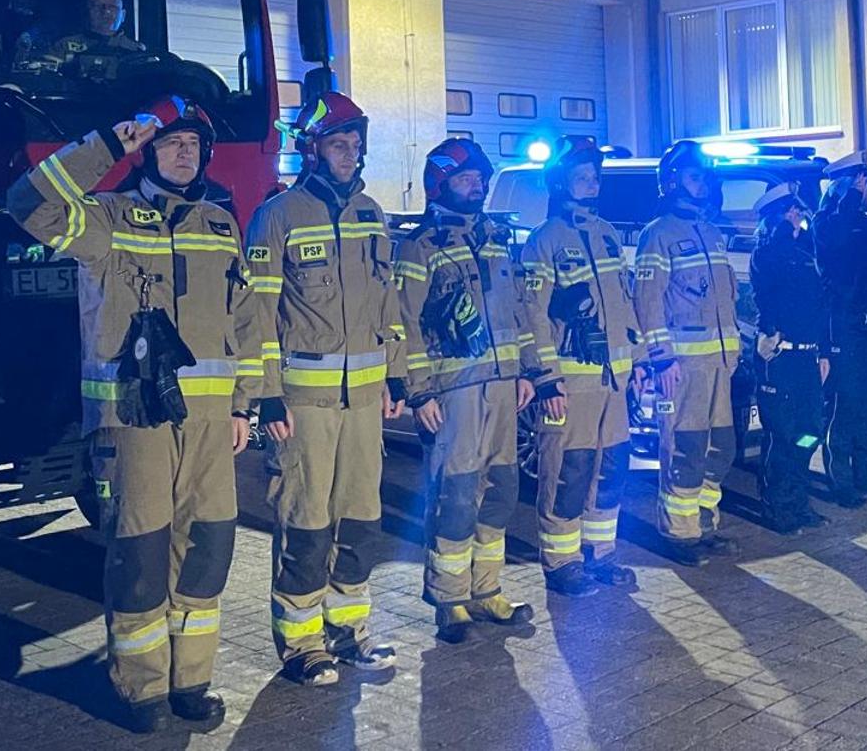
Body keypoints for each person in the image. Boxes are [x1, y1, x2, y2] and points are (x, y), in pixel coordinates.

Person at [6, 96, 256, 734]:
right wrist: (107, 144)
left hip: (209, 425)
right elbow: (28, 204)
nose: (182, 153)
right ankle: (140, 685)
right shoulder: (108, 219)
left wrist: (244, 407)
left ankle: (191, 681)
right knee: (141, 553)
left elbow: (246, 325)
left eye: (193, 145)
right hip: (134, 419)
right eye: (170, 142)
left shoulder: (221, 223)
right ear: (147, 151)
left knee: (206, 549)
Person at [241, 91, 407, 687]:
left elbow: (388, 303)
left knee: (361, 520)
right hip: (302, 404)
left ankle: (349, 630)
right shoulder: (277, 215)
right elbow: (255, 314)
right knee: (307, 523)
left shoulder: (371, 212)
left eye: (356, 144)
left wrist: (396, 372)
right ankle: (300, 642)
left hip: (364, 403)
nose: (350, 154)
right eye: (339, 144)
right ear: (313, 149)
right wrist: (265, 394)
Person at [396, 138, 562, 642]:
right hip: (454, 394)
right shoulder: (420, 247)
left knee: (501, 491)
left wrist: (532, 375)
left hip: (503, 390)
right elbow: (404, 324)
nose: (479, 185)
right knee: (457, 494)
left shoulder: (496, 239)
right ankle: (449, 600)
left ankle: (486, 589)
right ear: (440, 182)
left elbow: (518, 315)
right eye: (468, 177)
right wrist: (418, 392)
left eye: (482, 178)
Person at [520, 136, 641, 596]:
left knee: (610, 471)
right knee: (567, 473)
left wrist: (642, 360)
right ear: (561, 182)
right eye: (582, 177)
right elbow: (531, 314)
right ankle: (561, 562)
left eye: (595, 176)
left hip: (614, 381)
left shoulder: (607, 233)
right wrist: (545, 378)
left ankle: (600, 554)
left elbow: (625, 301)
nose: (592, 184)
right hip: (570, 383)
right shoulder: (545, 241)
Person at [632, 141, 741, 567]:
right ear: (674, 180)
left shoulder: (711, 232)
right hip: (682, 367)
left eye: (705, 177)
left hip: (719, 365)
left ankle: (704, 523)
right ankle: (679, 534)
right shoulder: (658, 234)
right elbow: (648, 300)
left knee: (721, 448)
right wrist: (660, 358)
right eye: (696, 176)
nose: (704, 183)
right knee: (685, 448)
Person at [814, 152, 867, 506]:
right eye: (856, 183)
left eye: (863, 184)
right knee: (845, 407)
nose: (862, 190)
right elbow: (837, 251)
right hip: (844, 328)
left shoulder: (865, 221)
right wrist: (848, 197)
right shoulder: (826, 221)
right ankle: (842, 481)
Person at [748, 184, 831, 534]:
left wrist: (824, 350)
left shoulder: (805, 250)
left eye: (798, 210)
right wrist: (784, 232)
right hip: (781, 357)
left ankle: (798, 499)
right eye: (791, 211)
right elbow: (770, 289)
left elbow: (819, 303)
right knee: (782, 435)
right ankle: (778, 505)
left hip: (807, 357)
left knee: (809, 432)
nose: (799, 215)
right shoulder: (768, 251)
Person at [14, 0, 145, 76]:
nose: (106, 12)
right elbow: (46, 73)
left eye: (113, 7)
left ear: (123, 15)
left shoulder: (135, 50)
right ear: (87, 11)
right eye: (98, 6)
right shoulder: (64, 45)